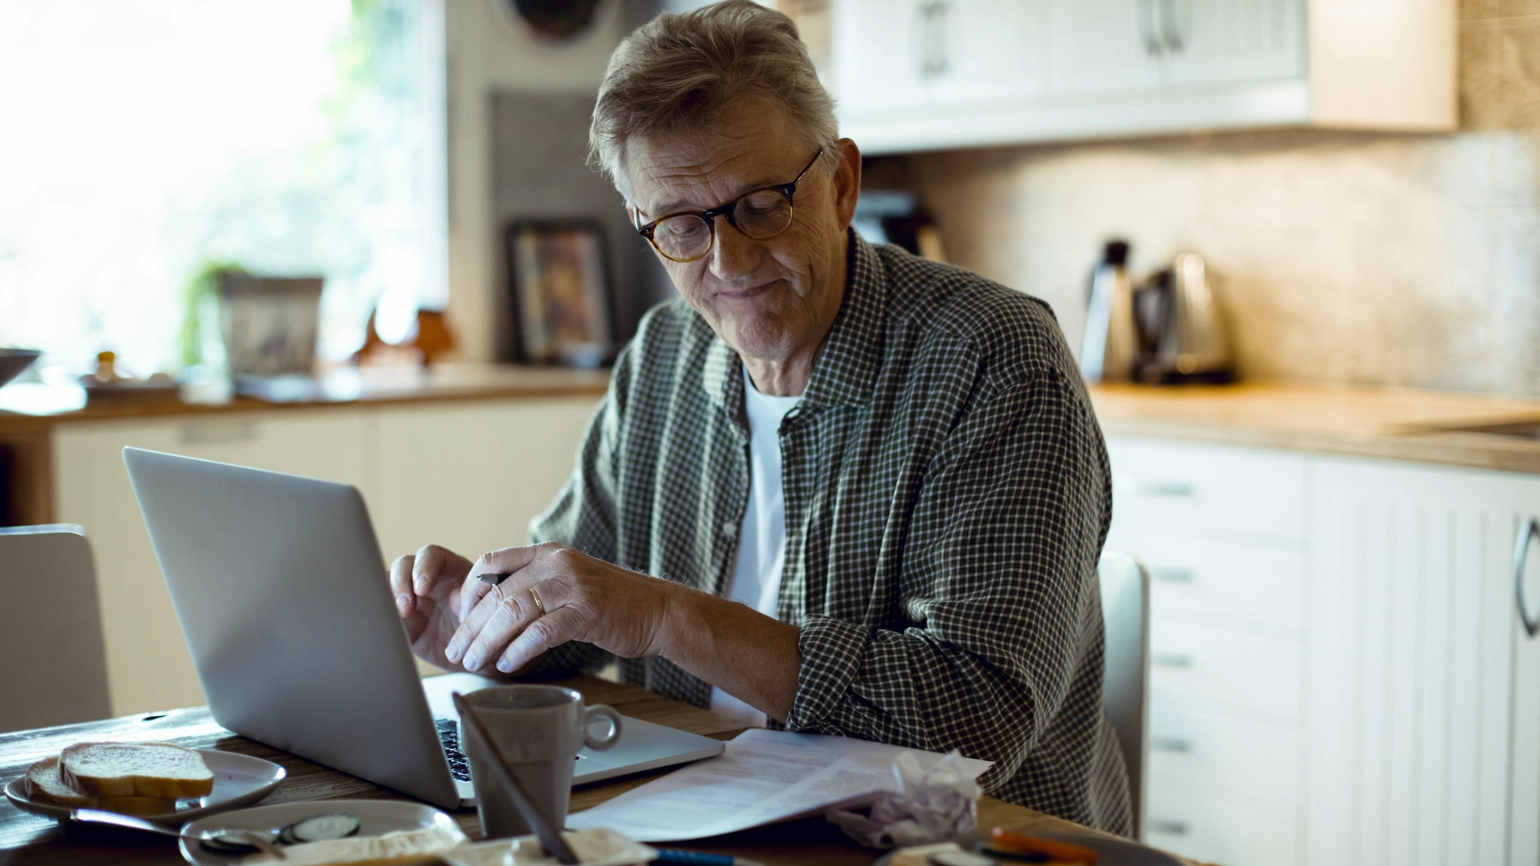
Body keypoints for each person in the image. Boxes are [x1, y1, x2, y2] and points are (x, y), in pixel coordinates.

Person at [391, 0, 1130, 834]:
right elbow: (586, 610)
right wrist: (479, 620)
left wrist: (668, 615)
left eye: (760, 205)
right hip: (689, 819)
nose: (729, 262)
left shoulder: (994, 361)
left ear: (842, 183)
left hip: (955, 844)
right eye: (680, 225)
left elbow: (974, 717)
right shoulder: (665, 352)